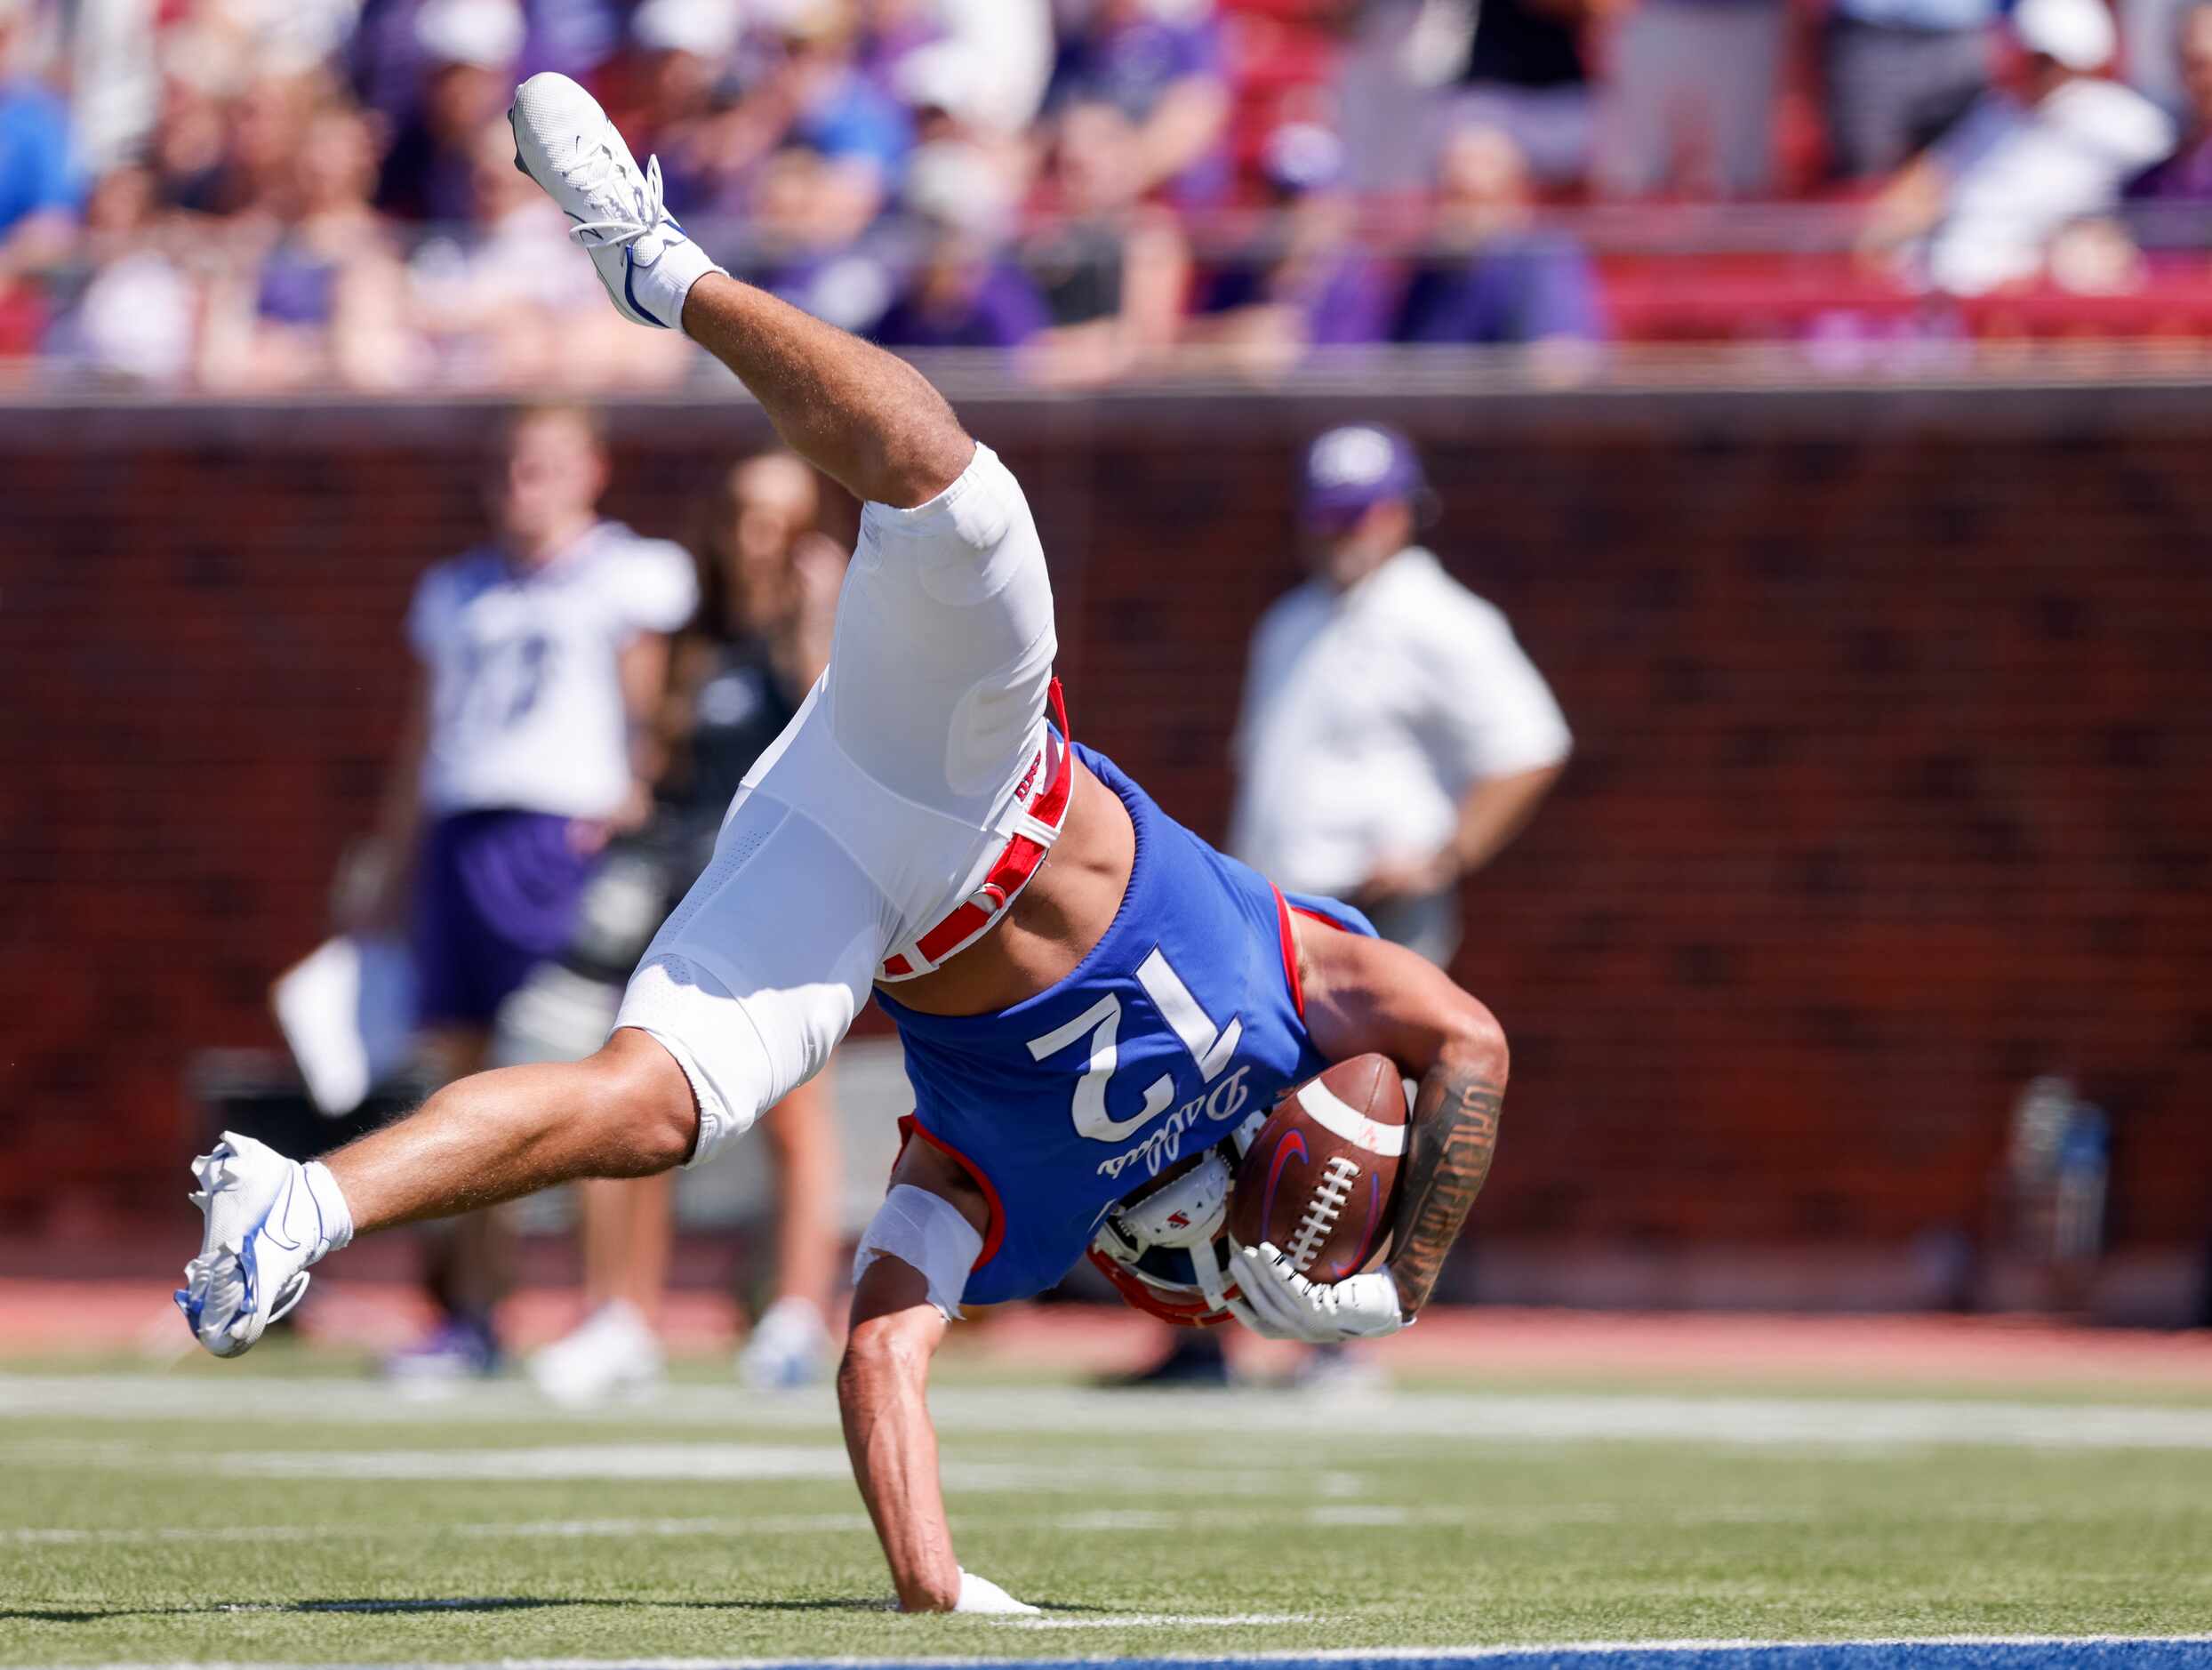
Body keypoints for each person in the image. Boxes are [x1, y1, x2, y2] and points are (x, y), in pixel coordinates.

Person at [176, 72, 1511, 1615]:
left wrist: (934, 1584)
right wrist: (1390, 1286)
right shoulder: (1296, 990)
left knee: (652, 1107)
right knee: (961, 494)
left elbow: (881, 1350)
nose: (1192, 1255)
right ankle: (659, 267)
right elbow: (1466, 1037)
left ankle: (303, 1200)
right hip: (970, 762)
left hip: (854, 887)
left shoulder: (1018, 1193)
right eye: (1215, 1251)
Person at [1124, 422, 1569, 1393]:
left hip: (1375, 918)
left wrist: (1447, 851)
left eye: (1358, 512)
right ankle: (1207, 1332)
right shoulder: (1291, 619)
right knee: (1227, 1118)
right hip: (1275, 919)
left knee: (1364, 1131)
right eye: (1325, 514)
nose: (1340, 532)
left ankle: (1341, 1344)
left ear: (1403, 510)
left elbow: (1531, 742)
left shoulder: (1441, 617)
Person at [342, 401, 698, 1381]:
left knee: (585, 1081)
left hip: (562, 835)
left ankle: (614, 1313)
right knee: (460, 1087)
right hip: (464, 833)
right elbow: (426, 735)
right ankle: (474, 1313)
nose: (519, 487)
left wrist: (634, 796)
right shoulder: (457, 589)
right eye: (506, 468)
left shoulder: (629, 572)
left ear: (592, 471)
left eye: (541, 467)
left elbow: (651, 703)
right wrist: (392, 855)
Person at [517, 452, 849, 1404]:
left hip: (783, 897)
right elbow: (655, 762)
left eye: (781, 522)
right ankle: (622, 1315)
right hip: (684, 891)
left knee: (793, 1115)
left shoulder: (813, 642)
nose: (758, 539)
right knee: (635, 1102)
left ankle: (793, 1314)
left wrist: (817, 616)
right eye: (745, 514)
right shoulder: (691, 640)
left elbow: (830, 739)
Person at [1859, 0, 2176, 296]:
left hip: (2043, 293)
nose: (2036, 68)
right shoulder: (1993, 113)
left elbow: (2165, 197)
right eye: (2030, 55)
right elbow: (1925, 184)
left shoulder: (2126, 121)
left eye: (2046, 59)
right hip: (1946, 281)